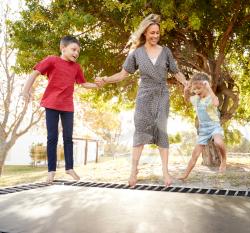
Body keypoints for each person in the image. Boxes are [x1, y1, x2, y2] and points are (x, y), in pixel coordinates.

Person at [95, 14, 187, 187]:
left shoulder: (166, 51)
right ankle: (133, 171)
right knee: (140, 131)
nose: (155, 36)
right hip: (144, 96)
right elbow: (123, 74)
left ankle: (165, 172)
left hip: (161, 95)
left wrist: (186, 82)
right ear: (145, 33)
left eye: (157, 33)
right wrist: (106, 79)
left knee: (162, 131)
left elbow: (176, 72)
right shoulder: (137, 53)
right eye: (152, 33)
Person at [22, 35, 101, 183]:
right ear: (63, 48)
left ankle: (69, 168)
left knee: (68, 138)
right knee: (52, 138)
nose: (76, 53)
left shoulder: (76, 67)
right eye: (73, 49)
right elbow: (35, 72)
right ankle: (51, 171)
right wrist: (25, 90)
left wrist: (97, 85)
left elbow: (83, 83)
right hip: (51, 104)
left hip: (67, 106)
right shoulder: (52, 60)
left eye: (78, 51)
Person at [179, 73, 227, 180]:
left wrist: (209, 88)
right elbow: (187, 99)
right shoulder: (196, 99)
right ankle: (185, 174)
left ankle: (223, 160)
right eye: (194, 89)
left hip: (214, 126)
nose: (196, 91)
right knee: (195, 154)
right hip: (203, 129)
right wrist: (186, 90)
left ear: (206, 86)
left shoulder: (211, 97)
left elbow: (216, 103)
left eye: (199, 88)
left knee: (218, 142)